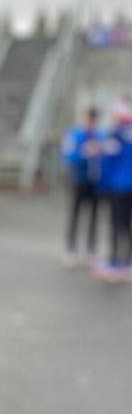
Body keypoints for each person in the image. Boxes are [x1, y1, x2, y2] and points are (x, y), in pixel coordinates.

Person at [92, 99, 132, 281]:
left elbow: (107, 162)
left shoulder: (116, 134)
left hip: (118, 187)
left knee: (116, 225)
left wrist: (102, 186)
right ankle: (127, 262)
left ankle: (115, 263)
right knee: (126, 225)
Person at [60, 107, 101, 265]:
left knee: (94, 216)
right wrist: (84, 153)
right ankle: (71, 249)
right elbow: (68, 155)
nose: (91, 123)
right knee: (75, 215)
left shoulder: (100, 135)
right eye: (89, 119)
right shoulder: (74, 135)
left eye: (94, 120)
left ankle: (91, 249)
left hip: (95, 182)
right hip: (78, 180)